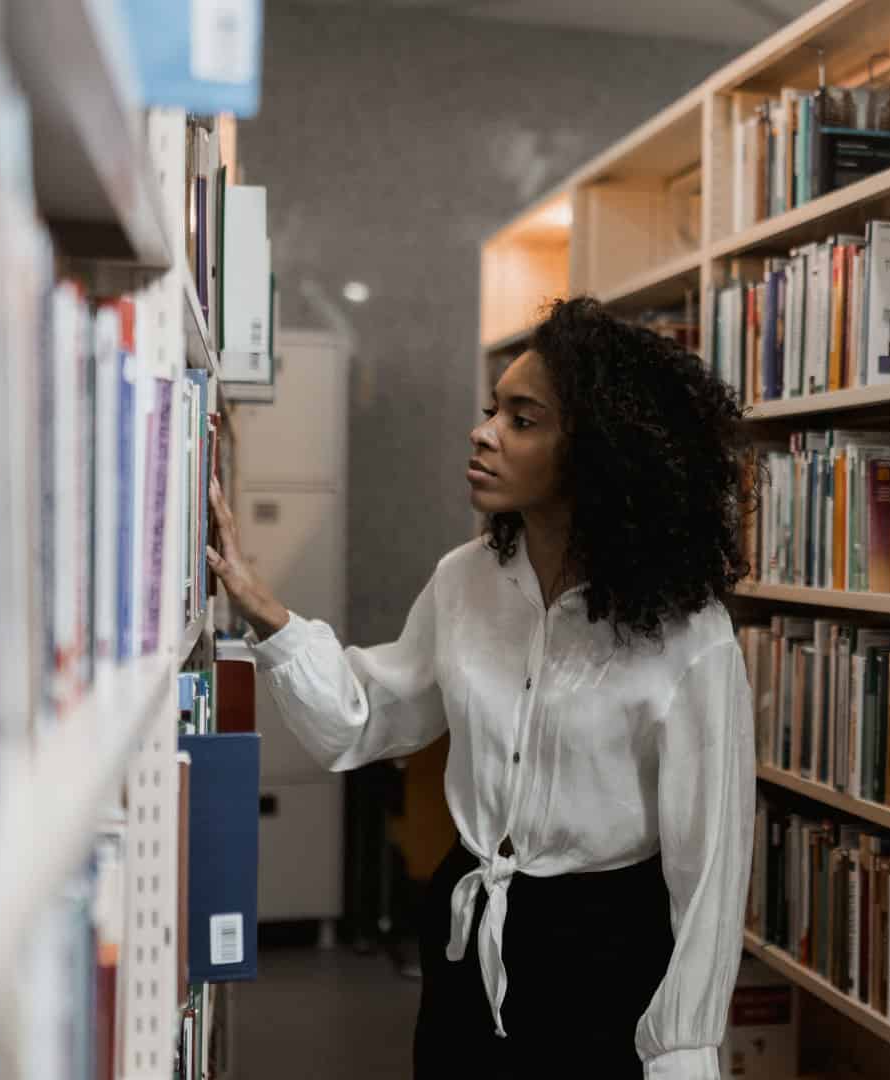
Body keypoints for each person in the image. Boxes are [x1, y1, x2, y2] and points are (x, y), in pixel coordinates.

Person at [206, 297, 756, 1079]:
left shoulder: (688, 632)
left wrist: (682, 1049)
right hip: (466, 935)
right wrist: (263, 608)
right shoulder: (465, 581)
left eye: (522, 420)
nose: (484, 431)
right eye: (493, 409)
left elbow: (710, 866)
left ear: (596, 455)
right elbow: (368, 716)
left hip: (606, 957)